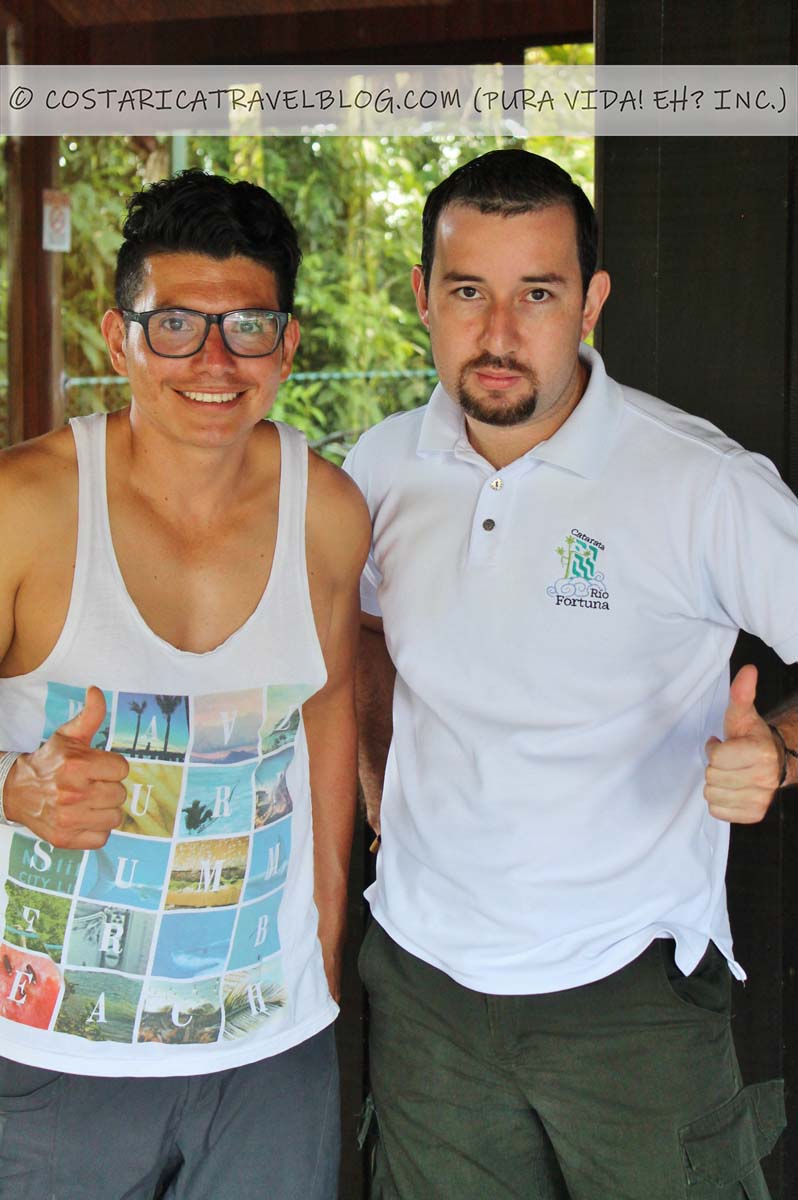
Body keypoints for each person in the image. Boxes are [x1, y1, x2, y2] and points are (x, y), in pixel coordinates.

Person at [344, 148, 797, 1199]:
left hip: (627, 995)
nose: (499, 333)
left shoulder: (701, 482)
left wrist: (777, 750)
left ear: (591, 302)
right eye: (468, 291)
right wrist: (378, 787)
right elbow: (363, 629)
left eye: (538, 294)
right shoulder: (382, 466)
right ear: (422, 297)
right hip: (423, 987)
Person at [0, 170, 370, 1199]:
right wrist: (15, 788)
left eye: (247, 326)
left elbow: (329, 710)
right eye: (174, 326)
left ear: (287, 347)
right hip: (51, 1047)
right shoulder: (25, 508)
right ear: (118, 341)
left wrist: (325, 942)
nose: (213, 362)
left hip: (268, 1050)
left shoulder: (327, 511)